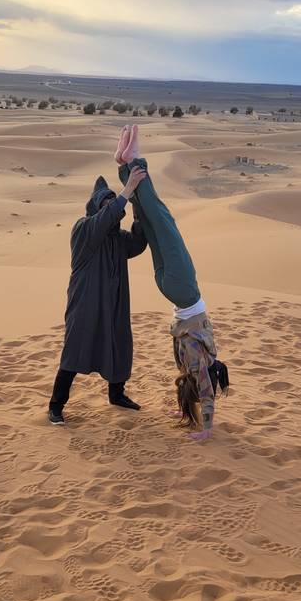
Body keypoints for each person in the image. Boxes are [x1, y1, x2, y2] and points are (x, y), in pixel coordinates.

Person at [115, 125, 228, 440]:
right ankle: (125, 167)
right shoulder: (189, 363)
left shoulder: (198, 357)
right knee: (152, 226)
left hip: (184, 290)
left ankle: (133, 164)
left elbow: (206, 393)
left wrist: (206, 430)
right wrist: (185, 410)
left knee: (163, 220)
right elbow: (193, 385)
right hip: (170, 292)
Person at [48, 168, 148, 425]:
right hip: (86, 303)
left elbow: (138, 243)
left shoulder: (118, 238)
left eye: (112, 202)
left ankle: (117, 394)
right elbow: (104, 219)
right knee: (75, 349)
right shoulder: (83, 229)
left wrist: (139, 208)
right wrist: (128, 190)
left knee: (119, 344)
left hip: (114, 303)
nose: (110, 207)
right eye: (105, 203)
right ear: (95, 207)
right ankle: (56, 405)